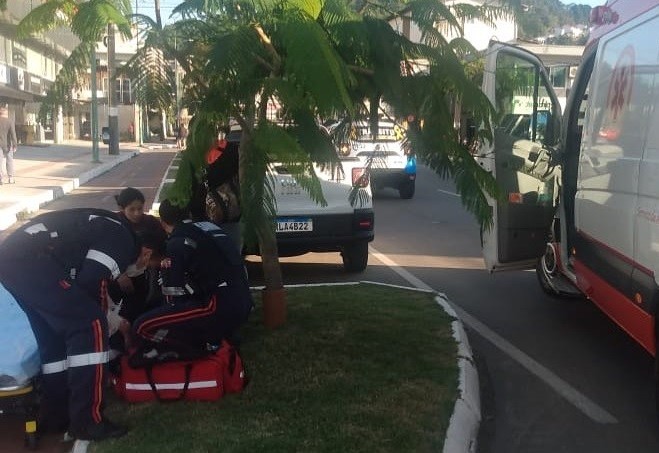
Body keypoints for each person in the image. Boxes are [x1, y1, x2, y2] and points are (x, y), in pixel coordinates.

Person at [0, 208, 156, 441]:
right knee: (91, 325)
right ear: (146, 251)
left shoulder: (104, 225)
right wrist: (107, 323)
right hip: (31, 260)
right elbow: (92, 283)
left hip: (12, 259)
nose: (143, 266)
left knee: (53, 338)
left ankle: (57, 415)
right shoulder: (121, 238)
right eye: (149, 262)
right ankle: (87, 421)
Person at [131, 200, 253, 359]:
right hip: (243, 302)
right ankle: (218, 337)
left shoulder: (176, 244)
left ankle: (194, 348)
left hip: (219, 306)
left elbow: (173, 300)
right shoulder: (209, 227)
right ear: (188, 214)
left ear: (162, 222)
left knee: (142, 326)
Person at [113, 188, 167, 323]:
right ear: (121, 208)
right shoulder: (114, 225)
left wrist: (156, 262)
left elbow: (164, 246)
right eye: (132, 209)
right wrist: (120, 275)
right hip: (122, 278)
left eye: (140, 208)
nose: (137, 213)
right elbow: (107, 255)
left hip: (150, 274)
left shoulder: (151, 223)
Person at [0, 104, 17, 184]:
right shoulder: (10, 121)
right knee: (9, 160)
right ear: (6, 114)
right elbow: (13, 134)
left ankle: (0, 179)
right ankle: (10, 178)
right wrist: (15, 144)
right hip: (8, 145)